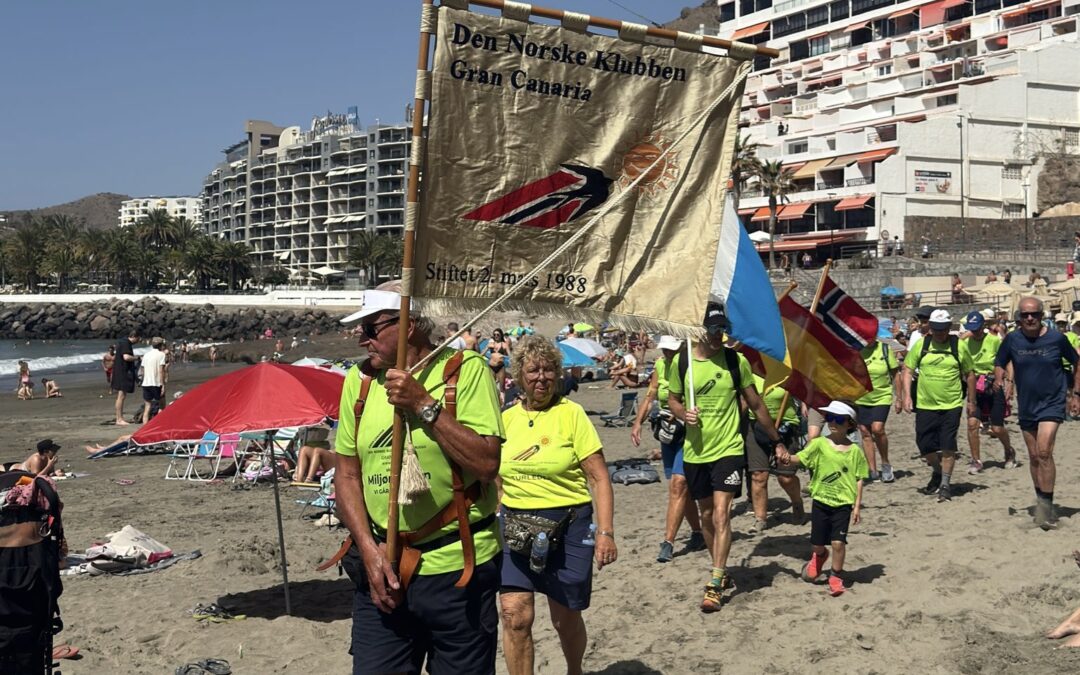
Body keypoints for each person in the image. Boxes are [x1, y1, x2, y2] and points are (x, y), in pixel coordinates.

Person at [334, 283, 504, 674]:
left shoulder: (462, 371)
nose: (361, 339)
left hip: (457, 569)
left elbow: (487, 462)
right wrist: (369, 549)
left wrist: (422, 403)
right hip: (385, 566)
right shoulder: (358, 384)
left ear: (408, 323)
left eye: (370, 328)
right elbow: (346, 474)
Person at [498, 336, 616, 675]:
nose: (542, 377)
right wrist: (500, 504)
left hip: (569, 525)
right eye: (533, 370)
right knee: (515, 615)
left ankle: (574, 670)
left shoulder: (572, 415)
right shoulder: (506, 419)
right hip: (516, 526)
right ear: (519, 375)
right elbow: (494, 473)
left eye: (549, 370)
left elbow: (599, 478)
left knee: (565, 617)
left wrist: (606, 533)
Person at [667, 302, 789, 613]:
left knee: (722, 514)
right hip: (696, 451)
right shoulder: (682, 363)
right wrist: (684, 414)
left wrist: (776, 440)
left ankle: (715, 580)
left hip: (729, 448)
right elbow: (673, 400)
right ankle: (719, 569)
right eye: (712, 328)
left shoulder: (736, 361)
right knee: (706, 515)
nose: (717, 335)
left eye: (722, 329)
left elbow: (757, 403)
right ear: (700, 329)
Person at [994, 296, 1080, 529]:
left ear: (1043, 316)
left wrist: (1075, 394)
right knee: (1033, 456)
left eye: (1035, 314)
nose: (1030, 318)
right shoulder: (1012, 340)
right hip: (1027, 405)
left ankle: (1048, 508)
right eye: (1025, 315)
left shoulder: (1056, 338)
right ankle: (1042, 501)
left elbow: (1077, 362)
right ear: (1019, 318)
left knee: (1044, 452)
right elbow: (1000, 361)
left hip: (1052, 403)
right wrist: (1002, 377)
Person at [777, 401, 867, 597]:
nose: (832, 422)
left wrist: (857, 506)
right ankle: (820, 556)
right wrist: (787, 458)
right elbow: (801, 457)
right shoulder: (818, 443)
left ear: (849, 424)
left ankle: (836, 576)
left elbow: (859, 478)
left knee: (838, 543)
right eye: (829, 418)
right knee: (817, 544)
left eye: (838, 419)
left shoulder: (854, 452)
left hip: (843, 503)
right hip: (821, 501)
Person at [629, 335, 704, 562]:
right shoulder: (661, 366)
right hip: (668, 433)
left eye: (672, 350)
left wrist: (680, 411)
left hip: (689, 431)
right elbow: (651, 394)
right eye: (665, 350)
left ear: (683, 346)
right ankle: (698, 533)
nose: (668, 354)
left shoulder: (692, 364)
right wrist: (637, 422)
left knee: (679, 484)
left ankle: (668, 542)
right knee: (679, 487)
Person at [902, 309, 976, 502]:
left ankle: (945, 484)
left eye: (943, 329)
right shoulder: (922, 344)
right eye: (936, 329)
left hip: (951, 404)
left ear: (949, 328)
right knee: (924, 445)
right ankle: (937, 470)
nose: (940, 333)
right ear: (930, 328)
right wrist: (906, 396)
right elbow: (908, 370)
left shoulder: (958, 346)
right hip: (926, 404)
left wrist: (971, 402)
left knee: (948, 445)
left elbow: (969, 374)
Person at [746, 373, 805, 530]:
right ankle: (760, 518)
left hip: (785, 427)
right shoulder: (749, 375)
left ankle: (797, 501)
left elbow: (805, 391)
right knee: (759, 475)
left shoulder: (786, 373)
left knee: (785, 477)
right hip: (757, 427)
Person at [960, 311, 1017, 472]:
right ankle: (976, 460)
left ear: (983, 326)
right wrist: (965, 336)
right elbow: (955, 348)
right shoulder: (965, 343)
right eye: (972, 329)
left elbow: (1008, 361)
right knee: (972, 424)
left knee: (997, 428)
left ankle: (1009, 450)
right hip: (974, 387)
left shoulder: (993, 341)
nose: (976, 332)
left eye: (978, 328)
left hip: (993, 384)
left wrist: (1010, 382)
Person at [855, 322, 901, 483]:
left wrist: (899, 398)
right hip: (861, 397)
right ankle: (872, 470)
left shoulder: (884, 349)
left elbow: (896, 374)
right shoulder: (856, 350)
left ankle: (886, 463)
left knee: (877, 428)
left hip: (882, 396)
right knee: (865, 432)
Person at [112, 330, 141, 425]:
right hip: (123, 372)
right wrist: (137, 358)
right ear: (134, 336)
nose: (138, 340)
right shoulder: (126, 343)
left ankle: (119, 418)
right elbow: (126, 357)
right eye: (138, 338)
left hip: (119, 371)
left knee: (121, 396)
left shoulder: (122, 341)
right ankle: (119, 419)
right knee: (121, 396)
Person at [139, 337, 167, 424]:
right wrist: (163, 385)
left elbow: (142, 369)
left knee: (147, 407)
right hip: (156, 383)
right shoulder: (161, 355)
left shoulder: (146, 355)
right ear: (161, 345)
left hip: (146, 383)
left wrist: (143, 379)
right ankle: (160, 424)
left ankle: (144, 428)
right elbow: (161, 370)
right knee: (162, 406)